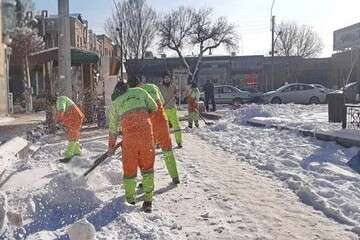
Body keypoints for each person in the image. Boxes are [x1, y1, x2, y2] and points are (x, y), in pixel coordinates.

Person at [107, 79, 158, 213]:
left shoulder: (115, 103)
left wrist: (111, 147)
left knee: (129, 171)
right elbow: (155, 108)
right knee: (148, 168)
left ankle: (130, 200)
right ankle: (148, 201)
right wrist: (144, 122)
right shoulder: (141, 92)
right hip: (147, 137)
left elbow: (113, 129)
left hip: (130, 141)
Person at [130, 78, 180, 184]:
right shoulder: (153, 86)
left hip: (149, 129)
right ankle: (175, 177)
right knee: (167, 150)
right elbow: (162, 102)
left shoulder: (136, 95)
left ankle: (146, 182)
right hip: (162, 123)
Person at [50, 95, 85, 162]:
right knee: (74, 136)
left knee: (72, 137)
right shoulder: (60, 100)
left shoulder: (60, 99)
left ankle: (68, 156)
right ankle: (77, 152)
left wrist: (59, 119)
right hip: (74, 118)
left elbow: (62, 110)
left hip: (75, 118)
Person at [159, 72, 183, 148]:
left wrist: (178, 94)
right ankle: (160, 142)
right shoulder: (160, 87)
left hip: (172, 109)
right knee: (162, 127)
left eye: (168, 78)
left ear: (170, 79)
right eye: (165, 78)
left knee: (176, 126)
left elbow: (179, 96)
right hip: (164, 109)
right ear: (163, 79)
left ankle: (179, 142)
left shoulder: (174, 86)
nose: (167, 79)